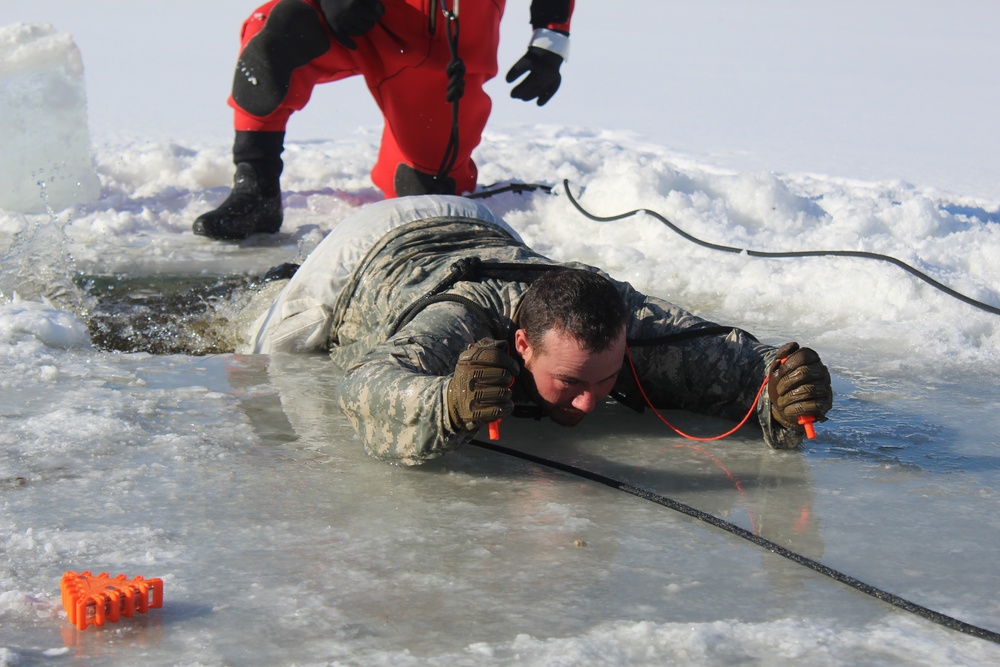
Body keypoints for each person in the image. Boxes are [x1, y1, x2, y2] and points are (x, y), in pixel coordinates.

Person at [244, 195, 834, 466]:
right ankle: (278, 277)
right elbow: (364, 383)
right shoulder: (463, 321)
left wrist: (779, 387)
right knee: (271, 342)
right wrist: (445, 402)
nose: (588, 400)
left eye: (603, 381)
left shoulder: (617, 315)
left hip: (475, 220)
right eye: (571, 381)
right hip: (362, 252)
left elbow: (719, 353)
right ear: (521, 345)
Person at [193, 0, 575, 240]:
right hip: (357, 13)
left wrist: (549, 40)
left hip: (444, 47)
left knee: (426, 196)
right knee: (276, 32)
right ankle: (255, 186)